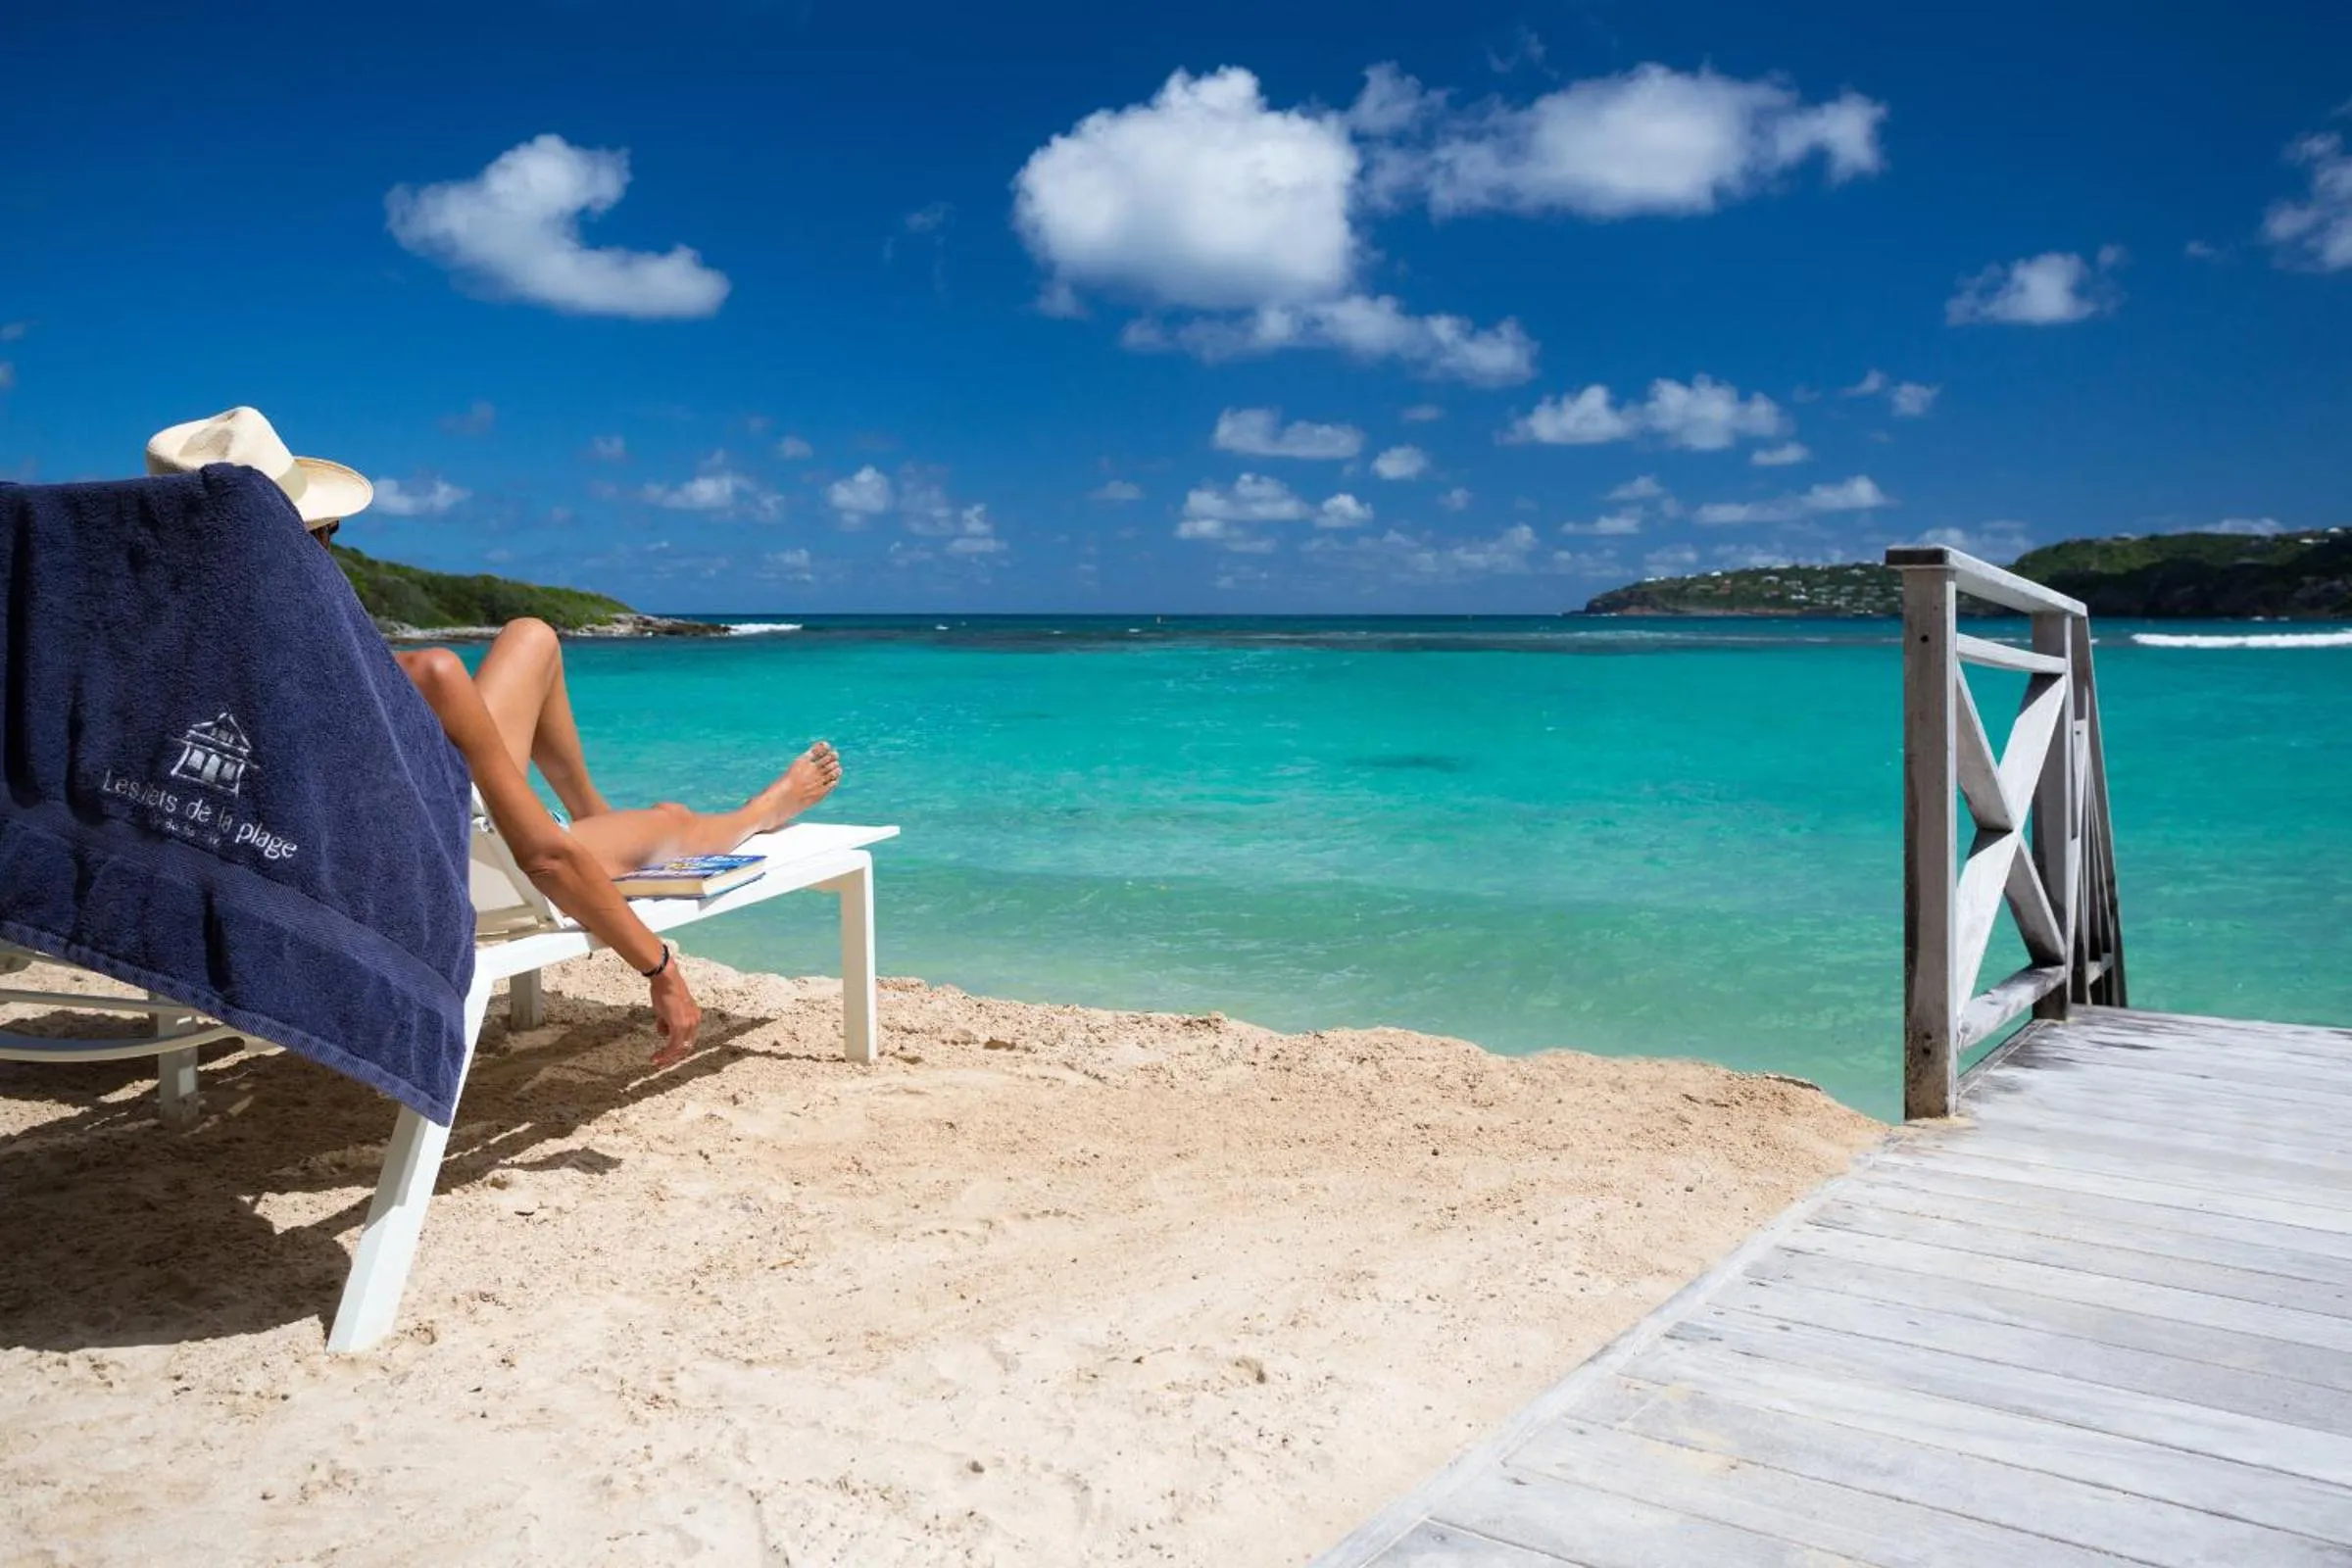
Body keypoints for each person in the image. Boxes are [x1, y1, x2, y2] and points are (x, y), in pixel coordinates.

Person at [145, 407, 842, 1065]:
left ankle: (599, 817)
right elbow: (541, 861)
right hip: (426, 884)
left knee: (531, 638)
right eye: (327, 534)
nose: (332, 550)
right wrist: (659, 967)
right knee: (669, 823)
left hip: (271, 874)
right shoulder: (418, 673)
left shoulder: (149, 666)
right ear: (303, 544)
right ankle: (761, 811)